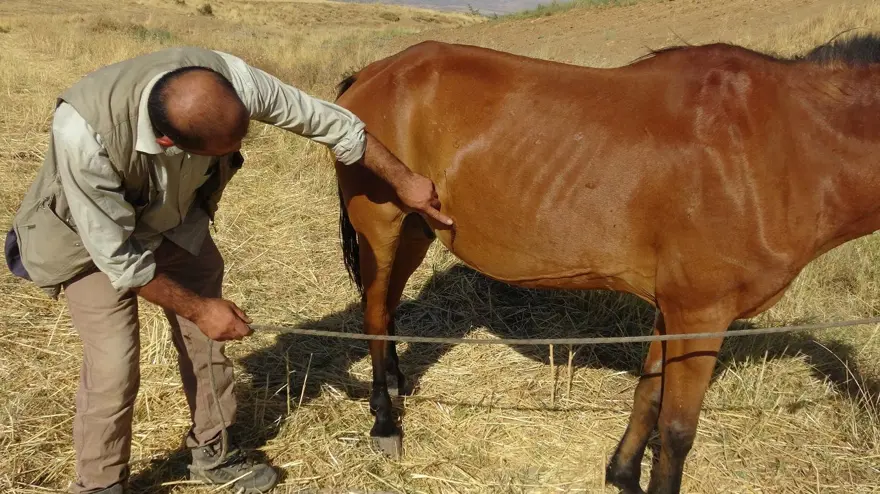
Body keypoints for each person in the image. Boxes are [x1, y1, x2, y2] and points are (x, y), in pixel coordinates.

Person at [5, 46, 452, 494]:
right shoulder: (82, 132)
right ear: (168, 145)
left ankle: (213, 453)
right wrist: (199, 308)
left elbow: (336, 125)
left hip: (174, 220)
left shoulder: (234, 80)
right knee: (114, 364)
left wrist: (404, 180)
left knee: (207, 345)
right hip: (87, 239)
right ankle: (100, 483)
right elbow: (119, 258)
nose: (235, 155)